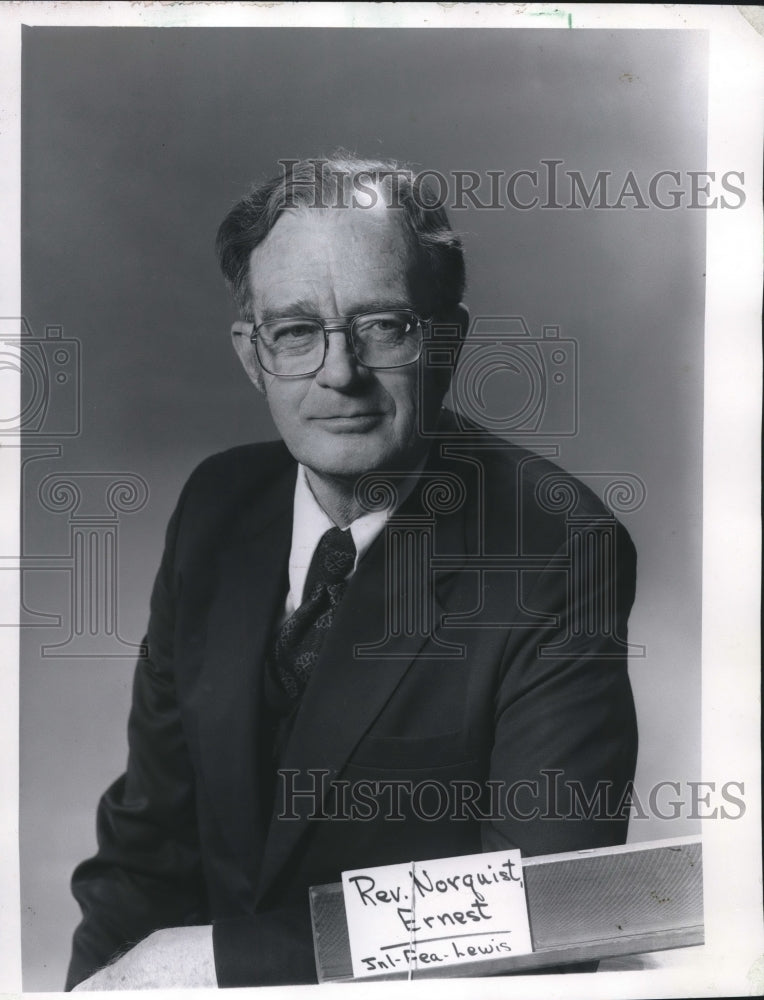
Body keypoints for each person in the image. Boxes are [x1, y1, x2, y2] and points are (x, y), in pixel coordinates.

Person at [66, 155, 638, 990]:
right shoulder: (216, 505)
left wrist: (217, 965)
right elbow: (147, 851)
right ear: (252, 355)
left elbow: (544, 910)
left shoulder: (556, 548)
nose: (340, 372)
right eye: (296, 331)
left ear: (448, 338)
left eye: (383, 326)